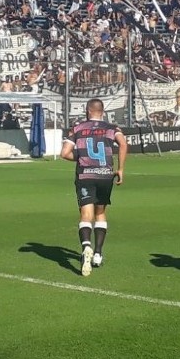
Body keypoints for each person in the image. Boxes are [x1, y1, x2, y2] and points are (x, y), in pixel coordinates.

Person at [60, 98, 128, 276]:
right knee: (100, 213)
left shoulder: (77, 128)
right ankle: (97, 253)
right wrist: (120, 169)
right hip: (105, 174)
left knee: (86, 214)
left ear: (87, 111)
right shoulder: (112, 128)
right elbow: (123, 144)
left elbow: (64, 153)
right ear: (102, 111)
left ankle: (86, 246)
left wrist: (82, 156)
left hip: (85, 175)